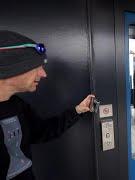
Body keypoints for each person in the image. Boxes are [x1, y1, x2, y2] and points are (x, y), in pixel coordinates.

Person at [0, 30, 94, 180]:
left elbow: (43, 131)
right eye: (36, 66)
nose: (43, 74)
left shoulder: (18, 106)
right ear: (11, 68)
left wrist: (77, 111)